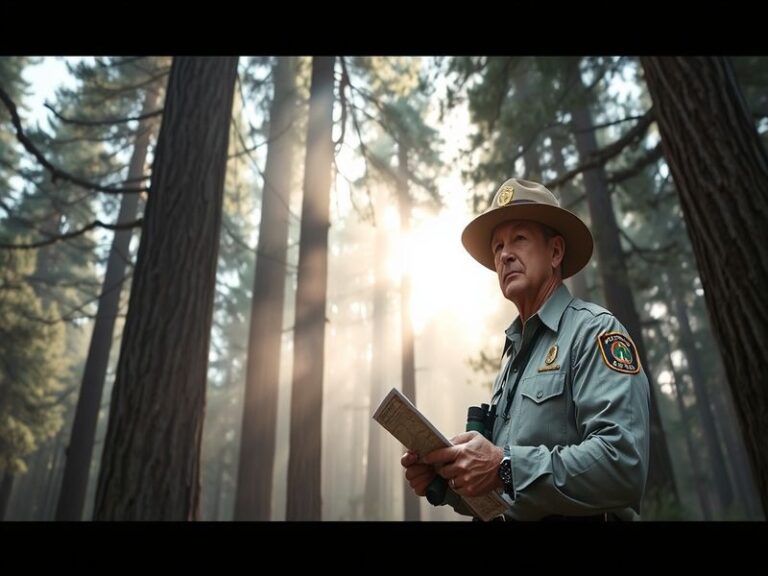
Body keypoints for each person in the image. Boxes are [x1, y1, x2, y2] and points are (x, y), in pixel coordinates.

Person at [401, 178, 650, 521]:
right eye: (497, 246)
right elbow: (510, 496)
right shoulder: (512, 359)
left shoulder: (594, 332)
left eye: (519, 238)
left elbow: (623, 466)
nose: (505, 255)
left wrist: (504, 466)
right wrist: (447, 481)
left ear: (555, 252)